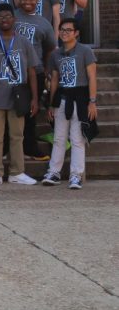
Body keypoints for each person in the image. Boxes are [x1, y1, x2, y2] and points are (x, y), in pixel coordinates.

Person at [0, 4, 39, 186]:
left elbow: (31, 72)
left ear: (14, 19)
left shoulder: (24, 42)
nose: (4, 19)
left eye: (8, 16)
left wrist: (35, 98)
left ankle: (17, 171)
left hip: (18, 97)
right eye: (1, 17)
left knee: (17, 136)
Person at [42, 18, 97, 190]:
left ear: (76, 33)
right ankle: (54, 172)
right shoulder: (55, 54)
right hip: (62, 98)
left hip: (80, 97)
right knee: (59, 138)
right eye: (62, 30)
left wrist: (92, 102)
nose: (64, 33)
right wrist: (51, 104)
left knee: (77, 138)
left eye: (68, 30)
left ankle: (76, 175)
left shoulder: (85, 51)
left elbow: (92, 77)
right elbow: (55, 79)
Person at [14, 0, 57, 161]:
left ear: (37, 0)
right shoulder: (12, 17)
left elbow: (50, 48)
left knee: (31, 112)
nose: (27, 2)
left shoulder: (43, 23)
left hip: (36, 72)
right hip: (12, 71)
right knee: (10, 111)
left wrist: (46, 69)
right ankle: (9, 148)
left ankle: (29, 147)